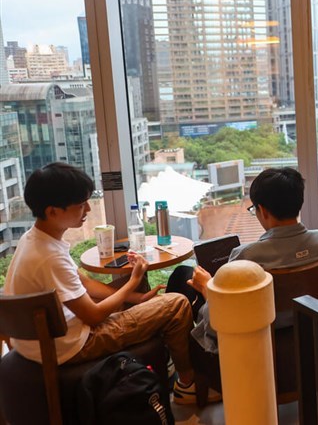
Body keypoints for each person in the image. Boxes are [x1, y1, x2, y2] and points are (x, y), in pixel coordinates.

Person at [3, 163, 206, 405]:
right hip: (73, 346)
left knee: (138, 290)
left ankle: (165, 359)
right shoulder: (49, 256)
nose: (88, 209)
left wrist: (136, 297)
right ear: (53, 211)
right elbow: (95, 317)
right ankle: (187, 384)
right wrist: (131, 284)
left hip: (38, 342)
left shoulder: (34, 240)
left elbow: (83, 282)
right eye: (80, 205)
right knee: (177, 304)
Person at [167, 167, 318, 389]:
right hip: (308, 333)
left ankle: (187, 382)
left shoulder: (246, 257)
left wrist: (207, 287)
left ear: (262, 210)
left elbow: (220, 321)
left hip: (255, 344)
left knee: (184, 278)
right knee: (185, 276)